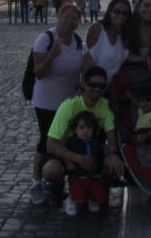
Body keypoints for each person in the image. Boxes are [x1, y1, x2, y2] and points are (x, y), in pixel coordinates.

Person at [44, 66, 124, 214]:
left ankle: (99, 191)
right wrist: (79, 159)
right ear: (84, 85)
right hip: (68, 152)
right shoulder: (68, 106)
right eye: (93, 85)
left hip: (92, 150)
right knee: (51, 170)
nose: (97, 89)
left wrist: (113, 155)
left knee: (113, 163)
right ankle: (58, 188)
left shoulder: (105, 106)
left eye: (101, 86)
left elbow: (111, 136)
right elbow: (51, 143)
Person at [28, 3, 87, 205]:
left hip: (69, 103)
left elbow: (83, 71)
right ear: (58, 17)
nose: (69, 21)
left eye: (74, 18)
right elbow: (39, 73)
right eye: (66, 16)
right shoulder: (46, 39)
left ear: (78, 22)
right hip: (46, 101)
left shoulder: (79, 42)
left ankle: (56, 184)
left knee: (64, 142)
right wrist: (51, 57)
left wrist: (81, 87)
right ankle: (36, 181)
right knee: (46, 141)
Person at [61, 110, 107, 215]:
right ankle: (72, 198)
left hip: (94, 176)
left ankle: (91, 198)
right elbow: (65, 154)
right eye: (81, 128)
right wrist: (69, 162)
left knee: (100, 196)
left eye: (89, 128)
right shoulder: (71, 142)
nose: (85, 131)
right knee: (79, 197)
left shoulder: (96, 142)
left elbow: (100, 156)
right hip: (78, 176)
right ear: (75, 129)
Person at [82, 0, 132, 83]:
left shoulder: (122, 34)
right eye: (117, 12)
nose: (121, 16)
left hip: (113, 89)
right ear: (110, 12)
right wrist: (83, 86)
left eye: (125, 14)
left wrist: (145, 58)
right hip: (95, 88)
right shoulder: (98, 28)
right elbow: (88, 60)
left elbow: (125, 57)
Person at [124, 0, 151, 71]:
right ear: (138, 6)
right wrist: (143, 59)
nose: (150, 10)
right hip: (128, 77)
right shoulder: (126, 26)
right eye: (146, 5)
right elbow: (118, 55)